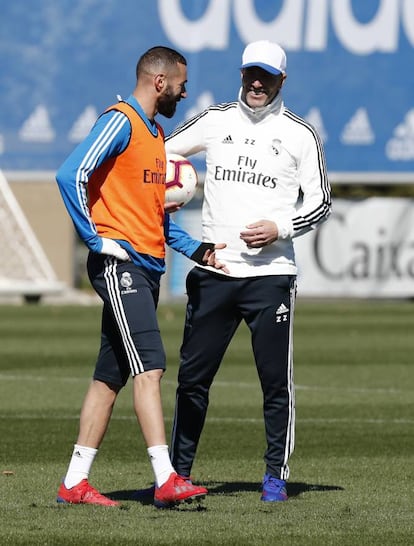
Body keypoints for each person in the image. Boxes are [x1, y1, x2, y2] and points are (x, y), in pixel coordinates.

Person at [55, 46, 227, 509]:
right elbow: (70, 174)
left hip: (146, 268)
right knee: (149, 367)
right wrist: (95, 240)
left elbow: (157, 218)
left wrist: (199, 251)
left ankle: (75, 483)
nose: (184, 91)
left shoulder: (155, 133)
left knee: (108, 378)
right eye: (181, 83)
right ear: (158, 82)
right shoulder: (121, 120)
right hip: (120, 265)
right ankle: (166, 477)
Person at [165, 40, 331, 502]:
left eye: (266, 75)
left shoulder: (301, 134)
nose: (256, 83)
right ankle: (177, 474)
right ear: (241, 73)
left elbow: (321, 204)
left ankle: (275, 475)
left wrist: (279, 227)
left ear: (282, 80)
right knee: (193, 381)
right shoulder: (215, 120)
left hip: (272, 276)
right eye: (249, 73)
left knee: (275, 383)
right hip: (215, 271)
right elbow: (159, 154)